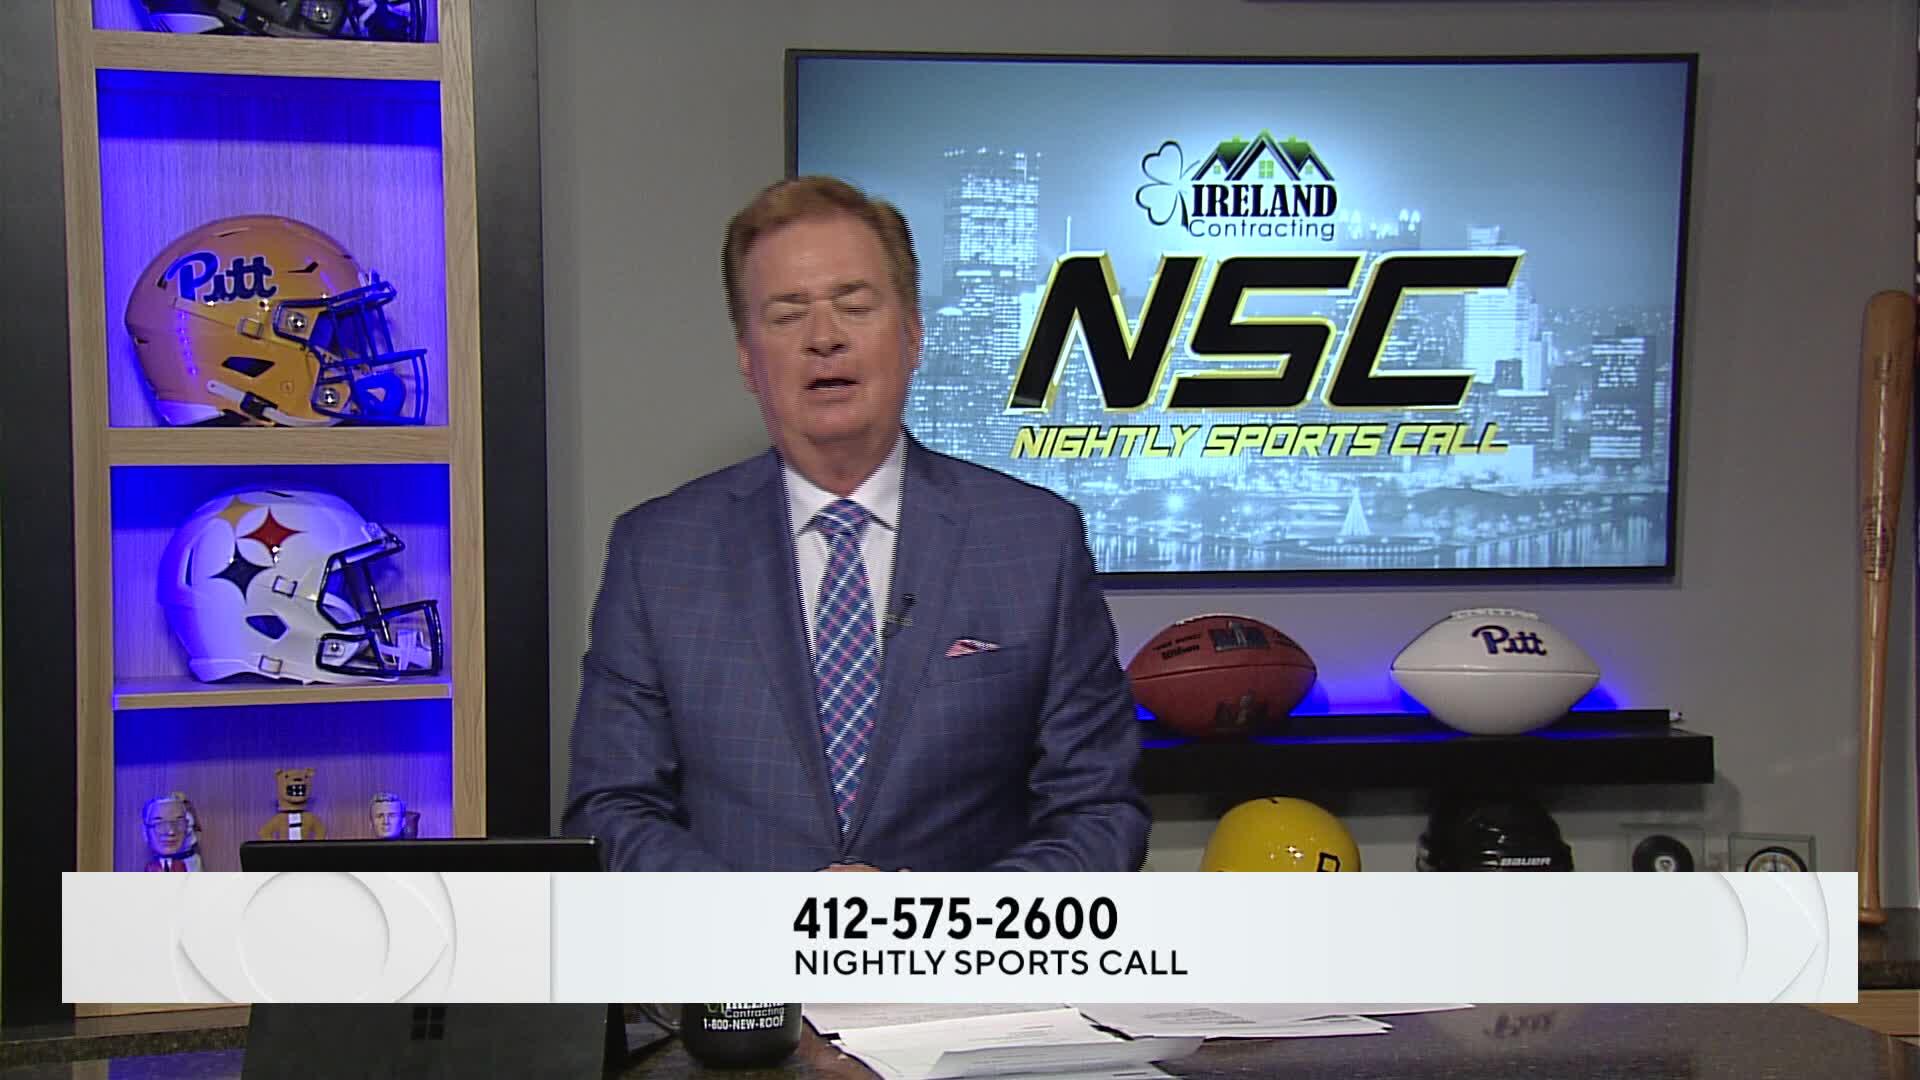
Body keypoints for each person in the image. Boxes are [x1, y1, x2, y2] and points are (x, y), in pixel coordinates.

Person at [562, 176, 1148, 872]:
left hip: (957, 945)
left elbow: (1100, 813)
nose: (824, 338)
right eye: (787, 314)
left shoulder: (1035, 541)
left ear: (913, 336)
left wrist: (926, 919)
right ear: (748, 359)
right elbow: (611, 810)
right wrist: (776, 920)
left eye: (854, 305)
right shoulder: (658, 554)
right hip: (737, 944)